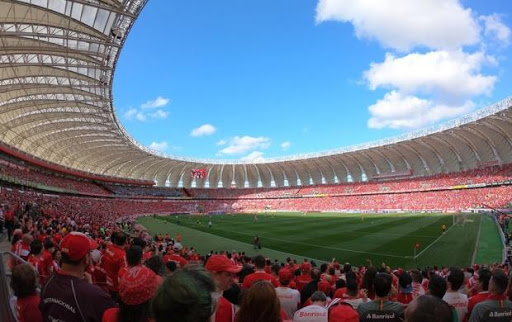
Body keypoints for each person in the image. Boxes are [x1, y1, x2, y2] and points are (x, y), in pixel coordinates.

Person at [40, 232, 117, 322]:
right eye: (90, 252)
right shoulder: (96, 295)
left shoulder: (47, 283)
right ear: (86, 257)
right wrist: (90, 288)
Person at [205, 254, 242, 322]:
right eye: (228, 275)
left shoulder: (194, 295)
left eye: (232, 275)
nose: (232, 279)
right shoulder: (226, 307)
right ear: (214, 274)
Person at [102, 231, 127, 300]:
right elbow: (123, 274)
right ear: (125, 242)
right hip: (115, 286)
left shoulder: (108, 247)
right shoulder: (122, 255)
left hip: (107, 280)